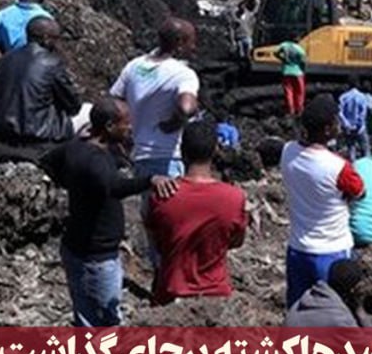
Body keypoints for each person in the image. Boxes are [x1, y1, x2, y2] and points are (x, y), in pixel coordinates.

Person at [55, 98, 177, 326]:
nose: (130, 127)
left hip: (77, 246)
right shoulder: (97, 161)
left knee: (86, 317)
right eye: (126, 123)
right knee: (107, 319)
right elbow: (115, 187)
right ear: (110, 126)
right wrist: (150, 179)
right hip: (96, 256)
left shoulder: (75, 148)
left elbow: (50, 162)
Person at [146, 121, 247, 305]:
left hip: (171, 293)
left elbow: (157, 244)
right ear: (215, 150)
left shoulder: (162, 195)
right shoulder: (234, 197)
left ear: (182, 151)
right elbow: (236, 241)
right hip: (216, 296)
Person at [280, 94, 365, 308]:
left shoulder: (287, 152)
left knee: (297, 311)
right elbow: (360, 192)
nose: (340, 124)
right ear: (328, 129)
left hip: (298, 249)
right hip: (331, 251)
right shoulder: (338, 167)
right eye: (337, 120)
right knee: (333, 312)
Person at [110, 18, 200, 180]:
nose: (194, 47)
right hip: (167, 159)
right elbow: (187, 107)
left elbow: (114, 101)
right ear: (179, 43)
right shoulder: (183, 74)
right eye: (191, 42)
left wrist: (126, 129)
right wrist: (174, 123)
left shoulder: (134, 66)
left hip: (138, 155)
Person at [0, 17, 83, 168]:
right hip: (39, 138)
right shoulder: (52, 63)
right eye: (56, 38)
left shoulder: (5, 60)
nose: (58, 44)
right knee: (89, 113)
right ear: (45, 39)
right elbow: (73, 106)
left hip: (2, 136)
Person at [337, 77, 372, 161]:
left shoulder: (343, 97)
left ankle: (354, 167)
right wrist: (358, 124)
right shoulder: (362, 96)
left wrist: (347, 124)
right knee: (366, 150)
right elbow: (363, 113)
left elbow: (340, 112)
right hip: (360, 128)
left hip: (348, 129)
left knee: (351, 149)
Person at [276, 38, 308, 117]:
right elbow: (303, 61)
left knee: (288, 92)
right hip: (298, 72)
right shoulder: (299, 49)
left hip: (286, 71)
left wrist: (282, 59)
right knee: (299, 92)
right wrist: (303, 69)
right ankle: (299, 109)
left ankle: (291, 110)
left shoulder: (284, 45)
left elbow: (276, 53)